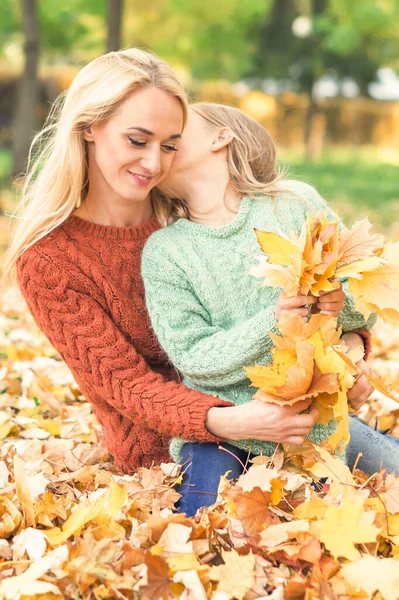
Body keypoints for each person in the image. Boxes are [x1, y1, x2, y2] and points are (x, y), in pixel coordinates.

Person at [3, 49, 333, 477]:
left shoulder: (189, 215)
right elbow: (127, 385)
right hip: (169, 460)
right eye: (137, 141)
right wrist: (234, 420)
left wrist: (355, 350)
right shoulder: (49, 260)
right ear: (88, 128)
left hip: (286, 415)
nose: (154, 163)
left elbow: (307, 296)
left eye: (170, 145)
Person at [141, 102, 399, 516]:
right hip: (226, 428)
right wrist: (273, 322)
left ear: (220, 137)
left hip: (314, 423)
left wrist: (340, 304)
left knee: (366, 494)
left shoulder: (293, 205)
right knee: (201, 517)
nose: (162, 143)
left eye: (176, 133)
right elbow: (191, 354)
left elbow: (361, 300)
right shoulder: (165, 252)